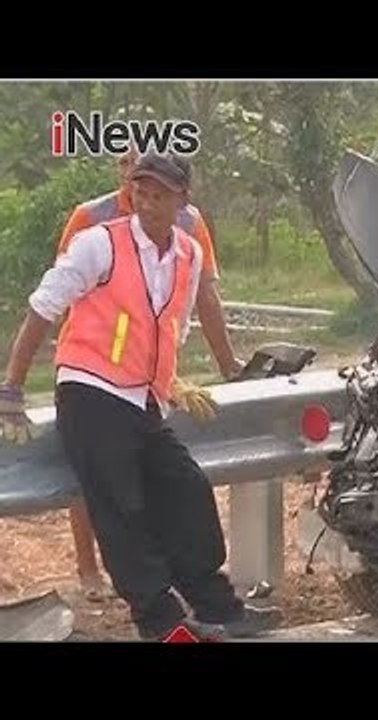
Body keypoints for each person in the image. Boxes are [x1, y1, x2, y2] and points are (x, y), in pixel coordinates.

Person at [0, 152, 282, 641]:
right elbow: (42, 309)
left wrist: (169, 380)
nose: (147, 205)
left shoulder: (188, 254)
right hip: (90, 392)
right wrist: (12, 387)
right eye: (140, 193)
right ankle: (160, 621)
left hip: (141, 399)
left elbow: (171, 325)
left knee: (188, 490)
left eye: (159, 196)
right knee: (122, 507)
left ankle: (218, 606)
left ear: (182, 200)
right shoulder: (99, 244)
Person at [57, 149, 245, 598]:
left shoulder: (189, 232)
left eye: (150, 181)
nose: (136, 187)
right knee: (112, 494)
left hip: (144, 391)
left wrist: (212, 369)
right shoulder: (92, 223)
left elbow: (194, 303)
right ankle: (106, 582)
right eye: (127, 169)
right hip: (95, 378)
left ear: (179, 193)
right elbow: (62, 298)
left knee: (179, 487)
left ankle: (207, 602)